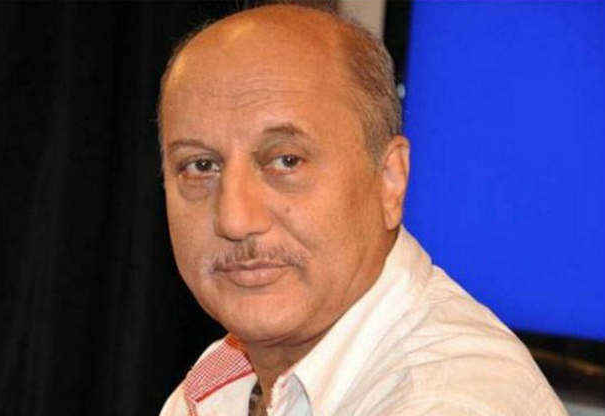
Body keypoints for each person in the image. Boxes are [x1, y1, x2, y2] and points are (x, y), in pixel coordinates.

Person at [156, 3, 567, 415]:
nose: (234, 219)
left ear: (390, 180)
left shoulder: (445, 402)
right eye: (200, 166)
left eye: (286, 160)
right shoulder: (222, 383)